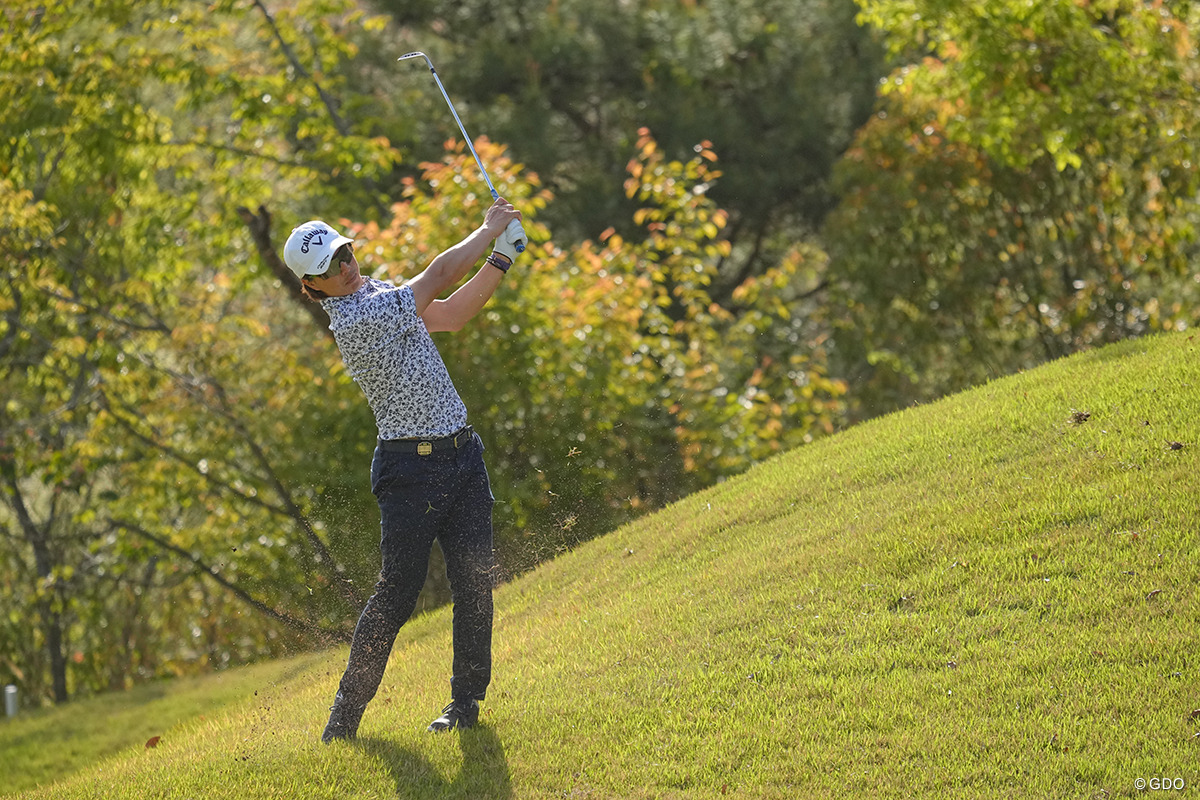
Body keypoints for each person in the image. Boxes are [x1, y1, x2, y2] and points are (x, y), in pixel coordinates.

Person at [282, 197, 524, 741]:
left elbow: (453, 316)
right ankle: (343, 722)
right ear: (312, 287)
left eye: (343, 253)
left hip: (462, 454)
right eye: (329, 267)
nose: (345, 266)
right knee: (397, 593)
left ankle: (465, 705)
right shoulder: (357, 318)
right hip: (410, 473)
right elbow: (439, 274)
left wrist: (499, 261)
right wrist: (489, 230)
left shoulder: (377, 293)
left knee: (475, 583)